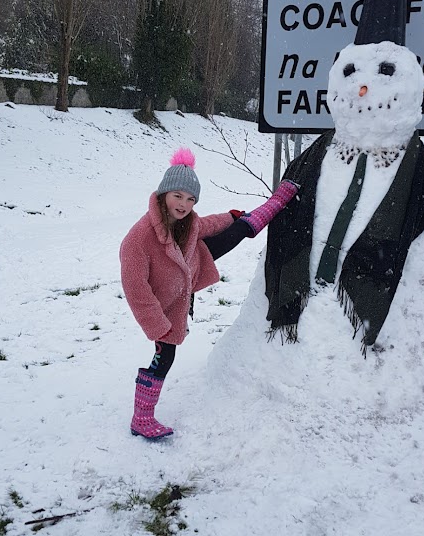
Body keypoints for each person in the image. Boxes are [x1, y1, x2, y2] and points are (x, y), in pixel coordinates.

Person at [120, 148, 299, 440]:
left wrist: (230, 216)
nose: (184, 204)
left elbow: (208, 225)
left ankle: (276, 202)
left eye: (191, 199)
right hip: (164, 306)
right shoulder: (138, 239)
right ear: (164, 193)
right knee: (164, 357)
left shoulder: (187, 223)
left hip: (193, 264)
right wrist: (158, 325)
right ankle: (141, 418)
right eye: (178, 196)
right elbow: (136, 289)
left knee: (239, 228)